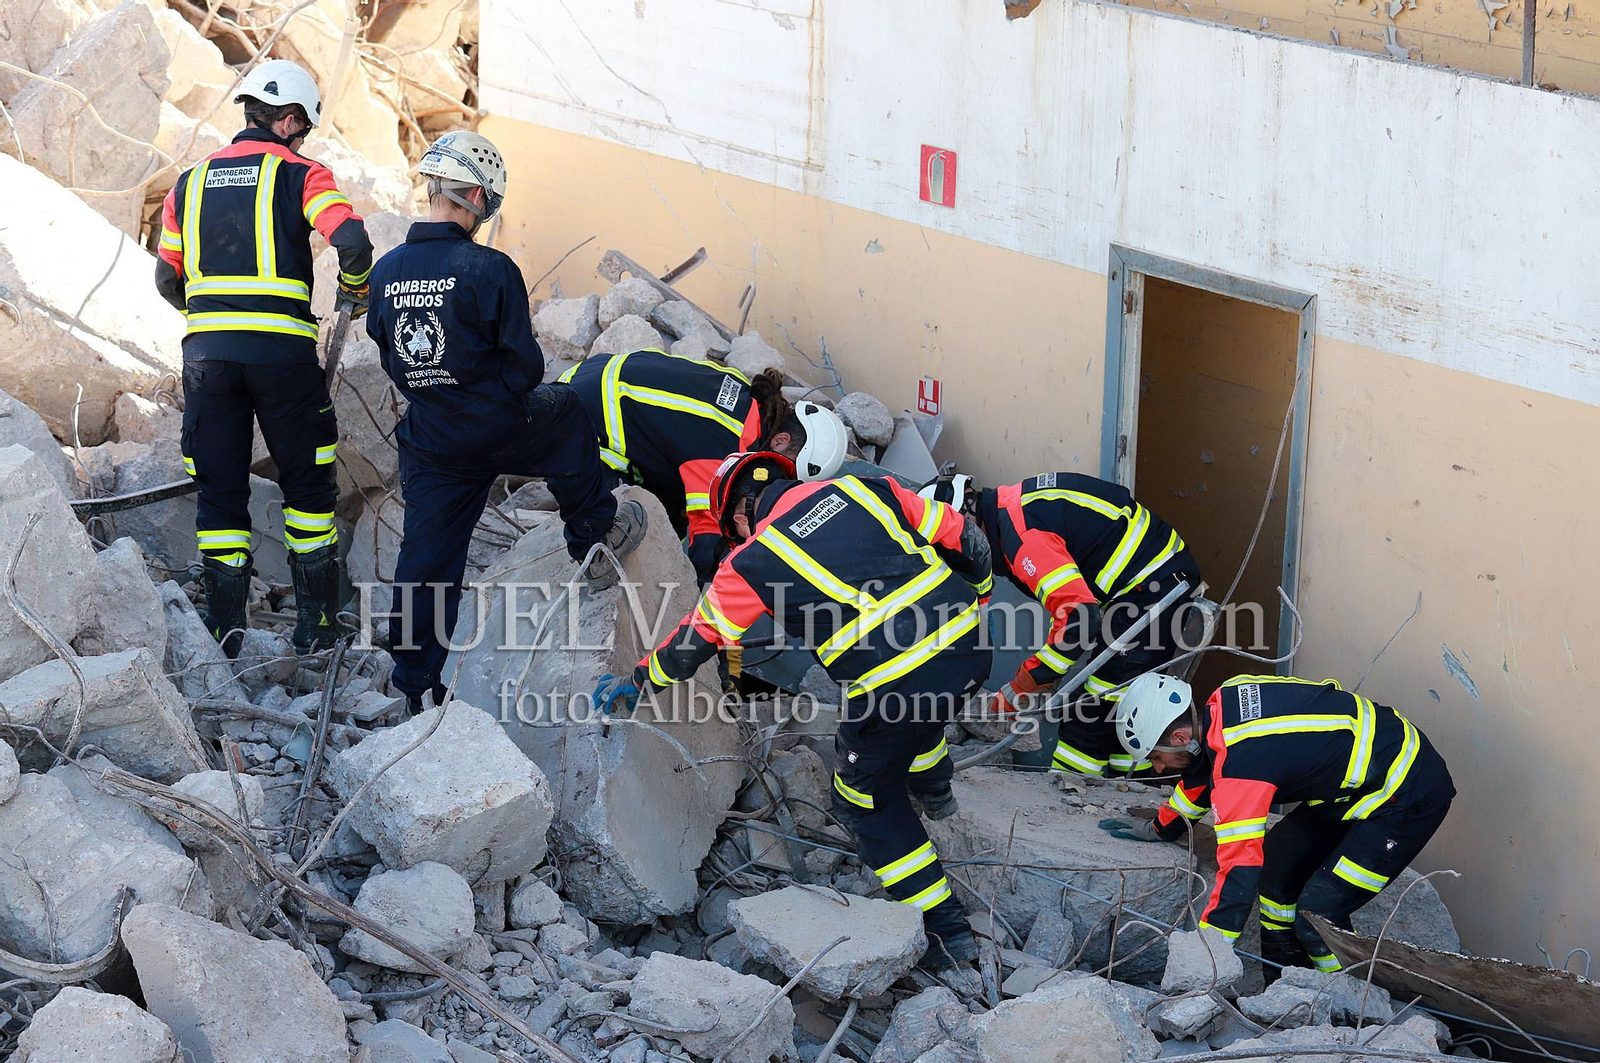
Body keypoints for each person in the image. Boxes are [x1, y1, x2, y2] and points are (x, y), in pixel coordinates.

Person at [593, 453, 994, 967]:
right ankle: (935, 788)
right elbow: (968, 539)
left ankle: (946, 933)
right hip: (972, 648)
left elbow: (692, 644)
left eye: (733, 532)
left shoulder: (751, 562)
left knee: (862, 797)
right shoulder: (866, 488)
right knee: (919, 712)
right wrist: (977, 603)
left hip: (897, 687)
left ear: (740, 516)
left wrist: (638, 681)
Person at [366, 130, 646, 714]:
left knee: (428, 556)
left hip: (434, 437)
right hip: (498, 423)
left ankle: (415, 682)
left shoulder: (386, 270)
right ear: (473, 195)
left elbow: (390, 352)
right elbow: (525, 367)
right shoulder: (489, 269)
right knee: (567, 409)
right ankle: (593, 535)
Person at [155, 59, 373, 656]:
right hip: (282, 357)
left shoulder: (188, 183)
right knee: (307, 490)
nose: (302, 140)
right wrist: (355, 288)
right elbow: (351, 242)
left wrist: (213, 319)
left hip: (208, 360)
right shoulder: (302, 173)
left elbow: (165, 279)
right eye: (302, 129)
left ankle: (226, 636)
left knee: (220, 493)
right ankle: (317, 630)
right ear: (291, 119)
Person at [1100, 672, 1455, 975]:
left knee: (1318, 916)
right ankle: (1284, 978)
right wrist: (1162, 826)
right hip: (1351, 786)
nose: (1158, 769)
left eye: (1156, 758)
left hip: (1408, 796)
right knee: (1275, 873)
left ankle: (1346, 1002)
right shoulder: (1225, 700)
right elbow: (1203, 771)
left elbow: (1238, 867)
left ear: (1180, 738)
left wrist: (1208, 953)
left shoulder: (1243, 767)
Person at [920, 472, 1200, 776]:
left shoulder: (1023, 536)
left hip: (1153, 588)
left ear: (965, 518)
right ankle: (1127, 790)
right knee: (1120, 706)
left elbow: (1078, 619)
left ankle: (1070, 796)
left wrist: (1026, 683)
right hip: (1151, 584)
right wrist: (1043, 676)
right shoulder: (1014, 511)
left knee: (1091, 711)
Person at [559, 349, 848, 586]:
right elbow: (707, 526)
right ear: (781, 441)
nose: (778, 478)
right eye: (786, 469)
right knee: (615, 537)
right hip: (579, 418)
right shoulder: (722, 447)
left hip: (591, 375)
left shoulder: (746, 397)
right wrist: (712, 591)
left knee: (670, 512)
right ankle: (593, 558)